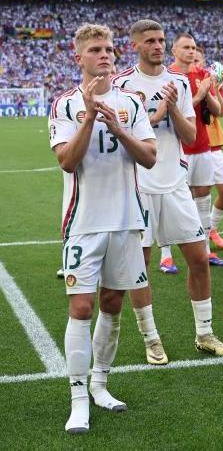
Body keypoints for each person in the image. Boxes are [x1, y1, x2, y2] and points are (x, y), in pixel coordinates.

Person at [50, 23, 157, 434]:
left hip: (127, 220)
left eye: (110, 49)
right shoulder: (64, 104)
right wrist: (90, 118)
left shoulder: (131, 102)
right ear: (79, 57)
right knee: (81, 307)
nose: (106, 55)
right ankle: (78, 400)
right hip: (84, 223)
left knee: (113, 304)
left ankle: (100, 385)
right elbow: (67, 162)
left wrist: (118, 127)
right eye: (96, 49)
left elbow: (148, 157)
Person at [113, 19, 223, 362]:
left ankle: (205, 333)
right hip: (139, 188)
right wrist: (156, 114)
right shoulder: (122, 84)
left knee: (198, 259)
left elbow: (191, 135)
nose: (156, 45)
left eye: (160, 40)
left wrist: (173, 110)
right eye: (149, 40)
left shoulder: (178, 82)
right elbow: (121, 135)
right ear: (135, 45)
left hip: (175, 184)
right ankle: (151, 338)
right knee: (142, 265)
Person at [169, 33, 223, 267]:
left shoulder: (203, 75)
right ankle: (166, 256)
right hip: (178, 147)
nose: (191, 51)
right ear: (174, 50)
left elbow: (217, 112)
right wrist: (201, 94)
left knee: (202, 198)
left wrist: (210, 91)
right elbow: (174, 110)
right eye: (186, 47)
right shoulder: (168, 76)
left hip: (203, 145)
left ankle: (204, 250)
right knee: (174, 200)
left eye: (193, 47)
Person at [193, 47, 223, 251]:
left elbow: (222, 111)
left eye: (200, 60)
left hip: (214, 145)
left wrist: (215, 89)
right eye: (195, 60)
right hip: (194, 146)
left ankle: (212, 229)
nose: (198, 64)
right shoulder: (184, 81)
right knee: (197, 194)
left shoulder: (210, 82)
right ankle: (196, 238)